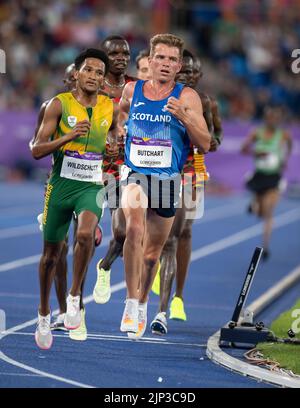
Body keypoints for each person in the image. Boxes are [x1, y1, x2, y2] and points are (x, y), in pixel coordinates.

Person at [118, 34, 211, 340]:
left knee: (151, 255)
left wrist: (183, 116)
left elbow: (205, 143)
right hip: (136, 173)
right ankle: (131, 304)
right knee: (133, 228)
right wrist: (119, 134)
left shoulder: (188, 98)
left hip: (169, 180)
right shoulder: (132, 90)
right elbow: (120, 118)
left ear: (179, 64)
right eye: (161, 58)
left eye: (172, 59)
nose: (166, 64)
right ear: (150, 60)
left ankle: (144, 302)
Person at [32, 48, 115, 349]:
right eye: (89, 70)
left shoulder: (109, 107)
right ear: (76, 73)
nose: (94, 76)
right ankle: (43, 314)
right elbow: (37, 150)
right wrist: (68, 136)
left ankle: (75, 295)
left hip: (90, 187)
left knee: (85, 235)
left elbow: (115, 137)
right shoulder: (57, 105)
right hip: (60, 187)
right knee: (50, 256)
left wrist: (114, 146)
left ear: (104, 81)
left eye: (99, 73)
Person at [150, 50, 223, 335]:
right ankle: (157, 278)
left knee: (184, 231)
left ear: (199, 76)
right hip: (165, 167)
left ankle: (177, 297)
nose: (189, 77)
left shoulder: (206, 102)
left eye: (194, 73)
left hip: (192, 171)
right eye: (185, 73)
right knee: (161, 231)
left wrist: (204, 138)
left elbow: (215, 137)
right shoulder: (163, 97)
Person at [93, 36, 136, 305]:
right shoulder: (93, 85)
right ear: (104, 57)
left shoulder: (137, 87)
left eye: (125, 53)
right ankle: (73, 302)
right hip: (94, 163)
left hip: (125, 164)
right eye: (114, 53)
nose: (120, 57)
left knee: (121, 232)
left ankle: (105, 266)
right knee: (83, 234)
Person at [241, 106, 292, 260]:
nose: (273, 120)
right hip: (259, 177)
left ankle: (266, 246)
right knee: (260, 213)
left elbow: (290, 146)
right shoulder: (257, 132)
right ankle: (254, 205)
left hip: (274, 177)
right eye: (271, 118)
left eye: (276, 118)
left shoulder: (283, 135)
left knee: (269, 213)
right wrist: (256, 152)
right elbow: (243, 149)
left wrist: (284, 160)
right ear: (266, 119)